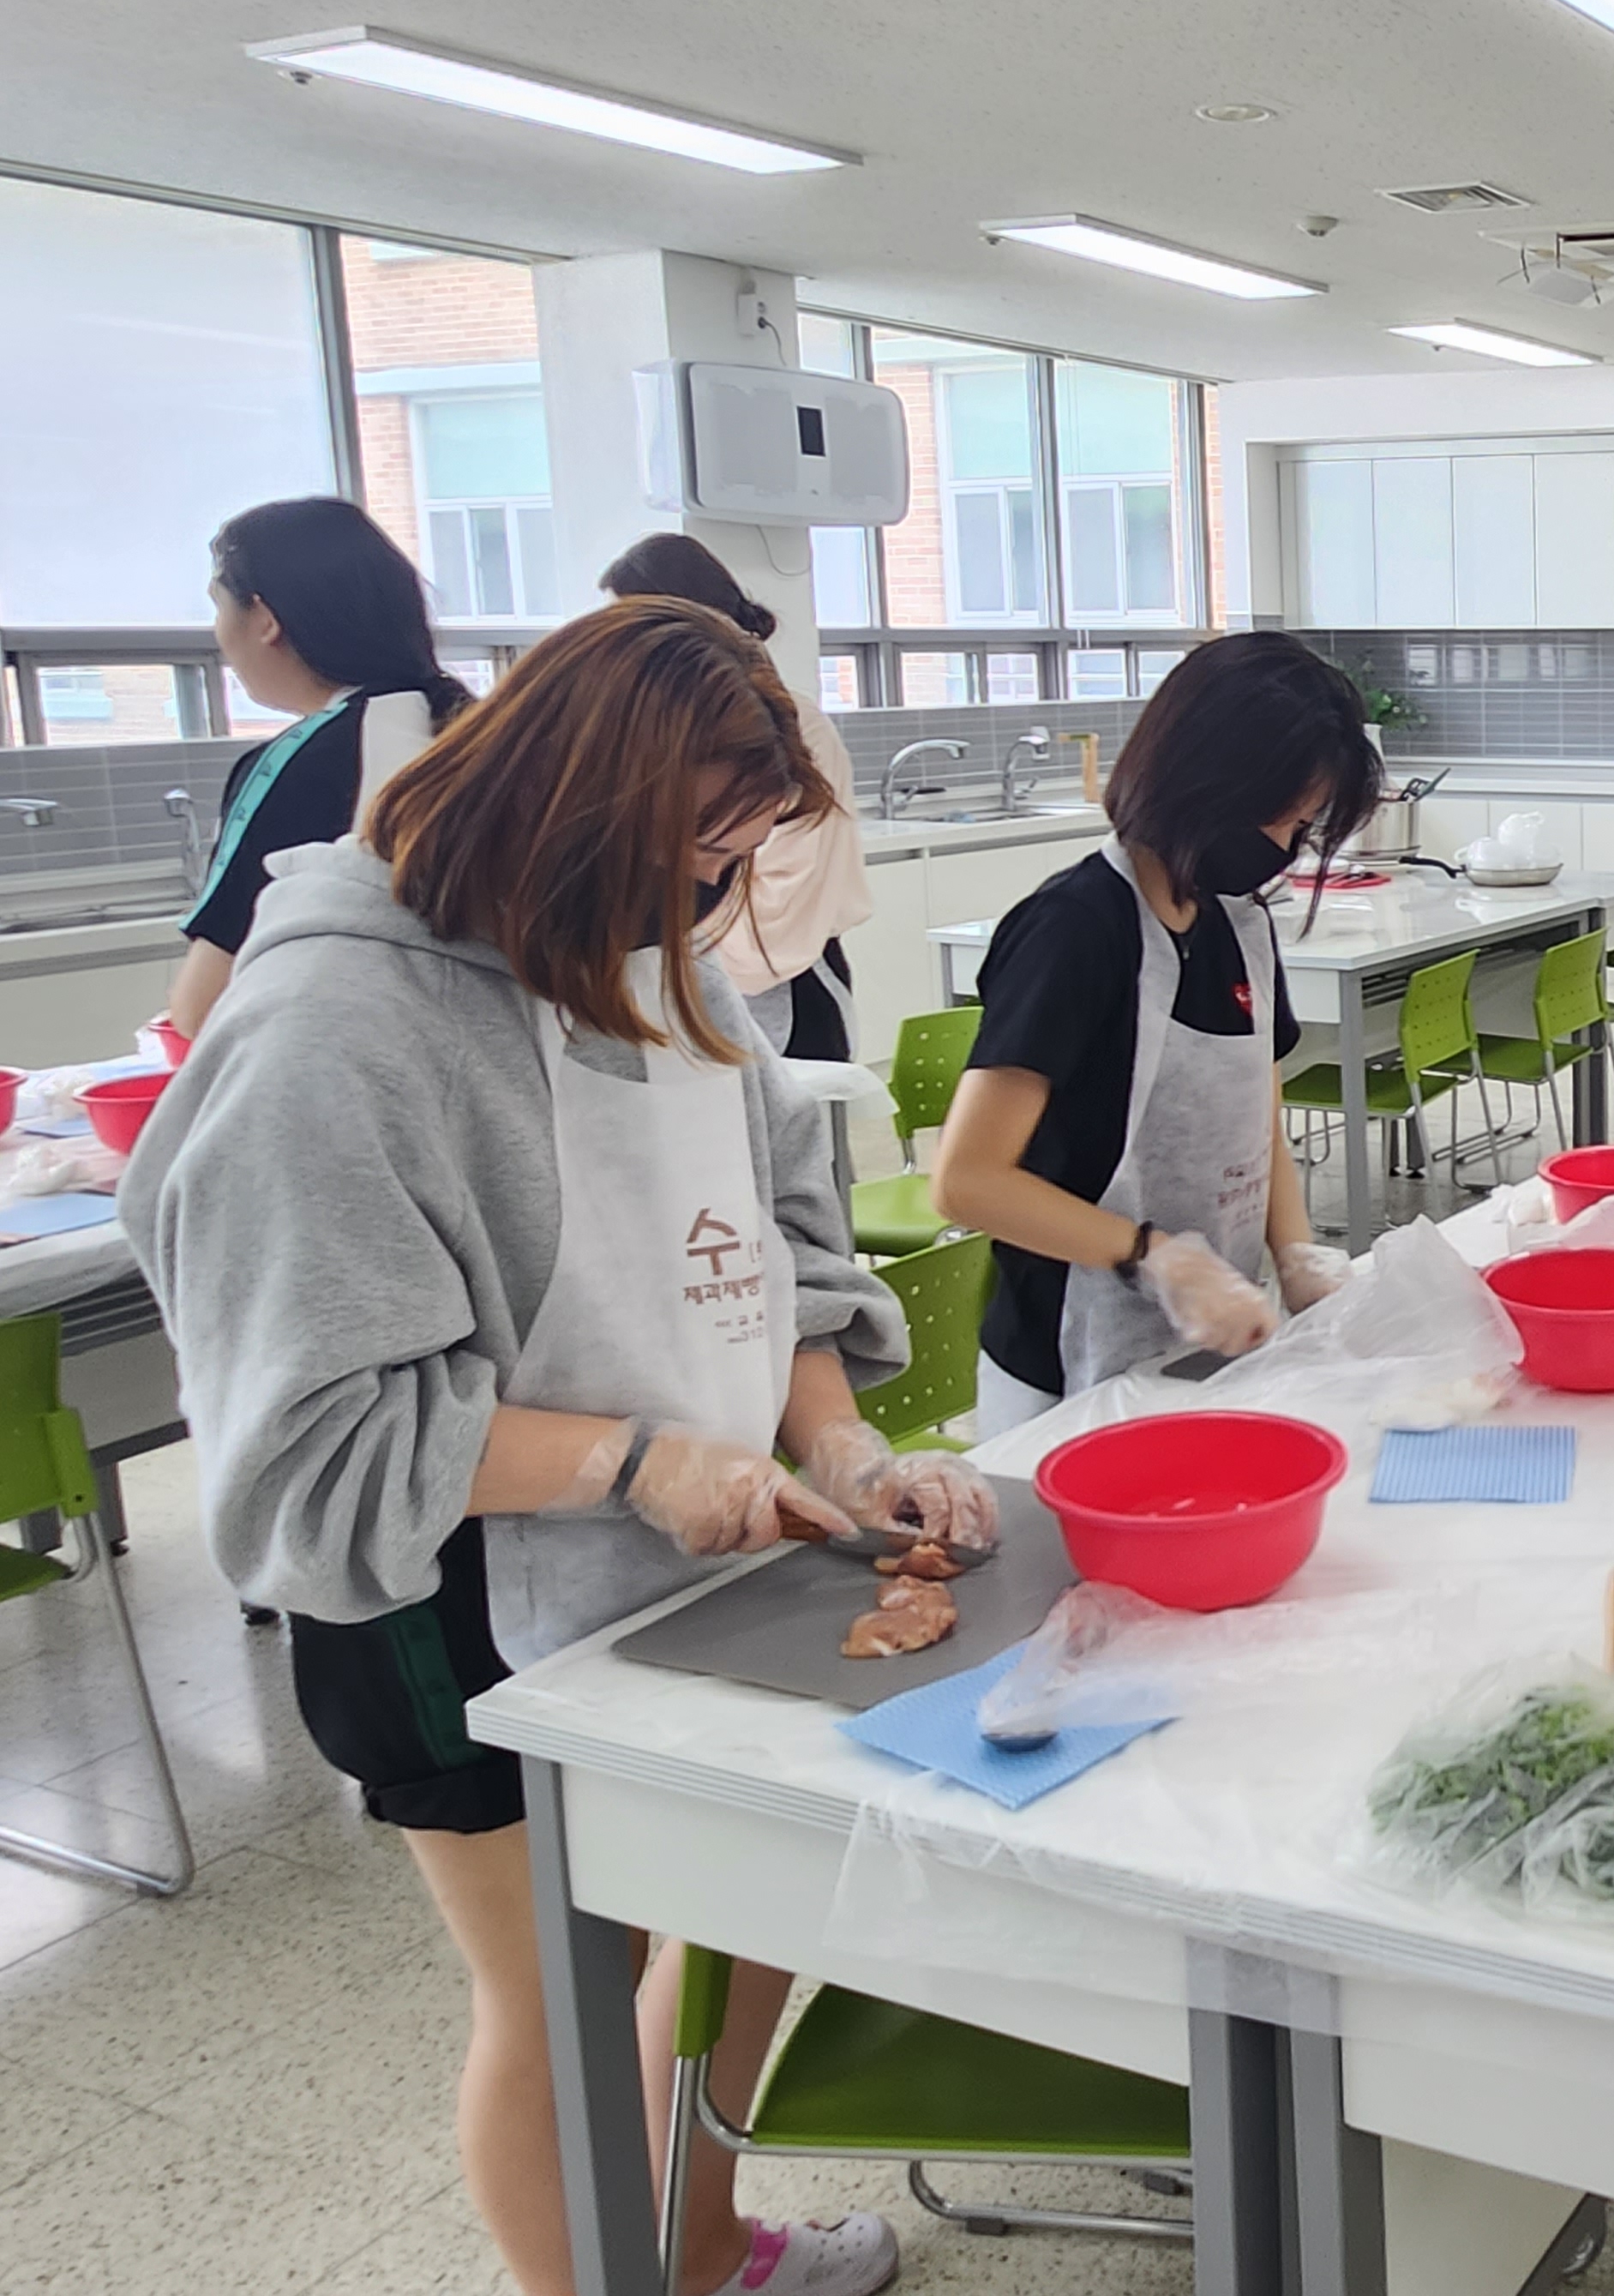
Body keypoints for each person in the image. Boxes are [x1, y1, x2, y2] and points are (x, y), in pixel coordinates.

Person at [127, 598, 986, 2296]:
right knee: (563, 1995)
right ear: (566, 810)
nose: (700, 908)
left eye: (726, 866)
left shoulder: (651, 957)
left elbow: (774, 1249)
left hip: (680, 1566)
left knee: (733, 1908)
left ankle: (700, 2248)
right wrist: (636, 1464)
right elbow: (316, 1437)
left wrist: (836, 1442)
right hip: (445, 1596)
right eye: (686, 860)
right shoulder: (333, 1029)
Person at [933, 633, 1383, 1432]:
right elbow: (968, 1181)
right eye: (1283, 821)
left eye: (1304, 826)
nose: (1286, 850)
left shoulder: (1238, 925)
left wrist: (1295, 1255)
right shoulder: (1074, 930)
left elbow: (1258, 1124)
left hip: (1205, 1345)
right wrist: (1153, 1255)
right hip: (1068, 1366)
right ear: (1211, 785)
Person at [168, 497, 470, 1039]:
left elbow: (204, 1009)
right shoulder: (483, 727)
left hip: (365, 1063)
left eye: (219, 607)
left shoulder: (297, 761)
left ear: (265, 620)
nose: (219, 635)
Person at [600, 532, 874, 1061]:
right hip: (681, 979)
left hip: (781, 982)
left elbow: (788, 894)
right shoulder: (648, 732)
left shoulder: (790, 728)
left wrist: (691, 959)